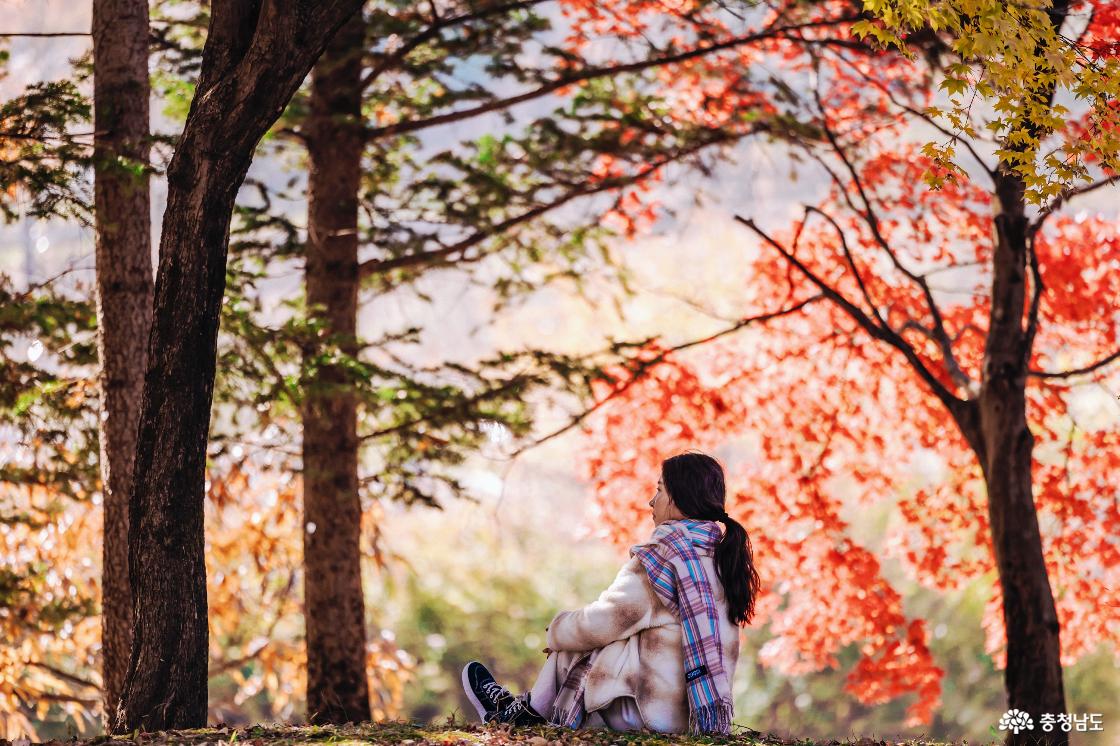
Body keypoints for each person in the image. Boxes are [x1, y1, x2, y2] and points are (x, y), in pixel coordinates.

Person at [461, 450, 761, 734]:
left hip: (647, 712)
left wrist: (556, 630)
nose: (651, 501)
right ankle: (525, 709)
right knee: (608, 637)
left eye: (659, 490)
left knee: (577, 643)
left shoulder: (664, 558)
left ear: (679, 498)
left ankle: (520, 715)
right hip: (696, 713)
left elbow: (602, 622)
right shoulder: (724, 559)